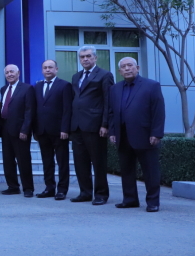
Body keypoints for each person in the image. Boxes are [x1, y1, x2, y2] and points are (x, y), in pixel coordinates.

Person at [109, 57, 165, 212]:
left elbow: (158, 111)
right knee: (126, 170)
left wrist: (156, 133)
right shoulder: (115, 89)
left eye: (130, 65)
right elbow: (112, 112)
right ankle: (130, 199)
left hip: (145, 135)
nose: (127, 68)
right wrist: (112, 132)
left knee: (150, 171)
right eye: (123, 67)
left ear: (137, 68)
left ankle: (153, 202)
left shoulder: (151, 85)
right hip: (123, 136)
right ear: (120, 71)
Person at [70, 46, 114, 205]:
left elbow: (108, 100)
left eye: (88, 56)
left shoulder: (105, 75)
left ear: (95, 58)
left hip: (95, 126)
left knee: (98, 162)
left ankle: (101, 194)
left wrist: (105, 124)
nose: (85, 59)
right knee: (80, 162)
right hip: (77, 126)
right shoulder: (76, 76)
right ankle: (85, 192)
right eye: (82, 57)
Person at [33, 60, 73, 200]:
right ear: (42, 70)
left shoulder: (65, 85)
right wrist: (35, 130)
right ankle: (49, 188)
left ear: (56, 69)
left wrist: (65, 129)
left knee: (62, 162)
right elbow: (35, 109)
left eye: (50, 67)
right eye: (45, 68)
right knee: (47, 162)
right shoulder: (37, 86)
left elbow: (67, 109)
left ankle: (62, 190)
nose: (47, 70)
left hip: (59, 131)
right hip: (42, 131)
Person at [0, 64, 36, 197]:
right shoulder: (3, 89)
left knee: (23, 160)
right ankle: (13, 186)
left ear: (18, 73)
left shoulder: (27, 88)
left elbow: (29, 110)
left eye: (12, 72)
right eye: (7, 72)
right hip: (5, 129)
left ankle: (28, 188)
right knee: (8, 160)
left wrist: (25, 130)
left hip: (20, 130)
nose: (9, 74)